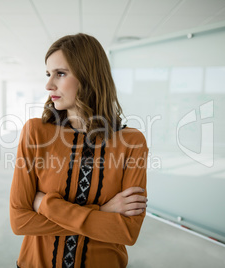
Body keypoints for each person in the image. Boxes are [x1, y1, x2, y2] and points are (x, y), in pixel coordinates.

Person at [10, 33, 149, 268]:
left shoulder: (132, 142)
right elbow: (20, 222)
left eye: (60, 73)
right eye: (48, 74)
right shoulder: (35, 132)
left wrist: (45, 205)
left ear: (89, 77)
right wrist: (102, 211)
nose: (48, 85)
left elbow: (127, 232)